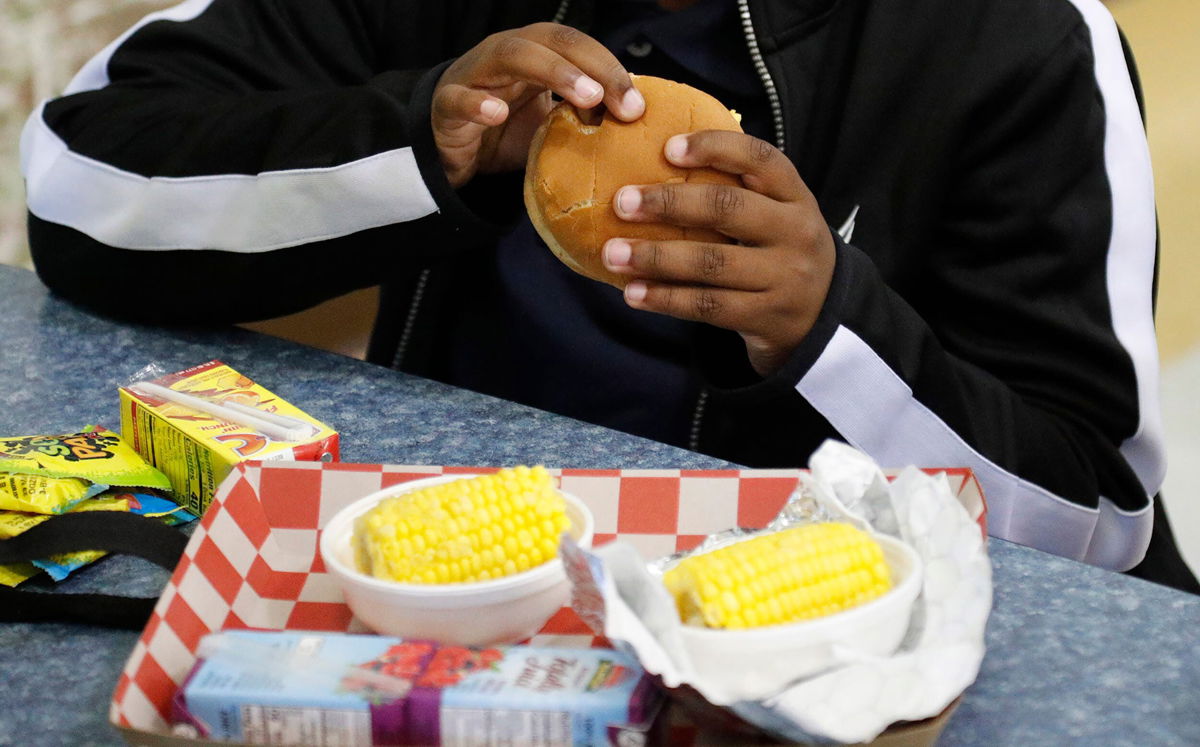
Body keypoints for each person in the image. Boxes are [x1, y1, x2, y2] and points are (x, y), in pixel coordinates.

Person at [19, 0, 1198, 593]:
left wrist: (827, 324)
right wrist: (417, 140)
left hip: (821, 637)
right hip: (473, 593)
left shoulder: (1019, 36)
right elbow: (81, 189)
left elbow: (1097, 522)